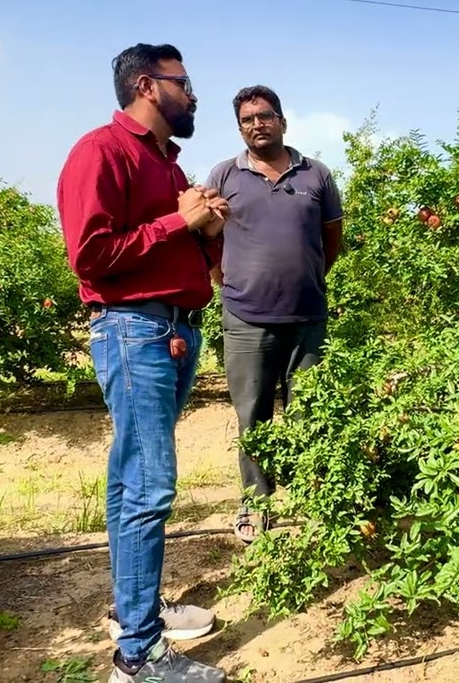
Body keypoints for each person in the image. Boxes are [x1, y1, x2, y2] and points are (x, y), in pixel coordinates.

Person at [56, 42, 228, 683]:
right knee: (149, 484)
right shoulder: (100, 151)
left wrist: (207, 232)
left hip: (176, 330)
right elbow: (90, 257)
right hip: (134, 331)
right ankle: (139, 653)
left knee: (134, 480)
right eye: (185, 83)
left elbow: (188, 252)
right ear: (148, 86)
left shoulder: (170, 166)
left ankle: (138, 610)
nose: (194, 95)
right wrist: (176, 223)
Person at [201, 85, 343, 544]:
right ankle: (256, 505)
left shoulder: (316, 174)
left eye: (264, 116)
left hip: (307, 317)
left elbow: (331, 240)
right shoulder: (224, 175)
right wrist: (227, 278)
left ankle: (313, 500)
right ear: (239, 128)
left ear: (282, 120)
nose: (256, 125)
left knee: (312, 413)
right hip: (246, 318)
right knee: (253, 415)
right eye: (246, 120)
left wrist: (309, 276)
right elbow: (206, 238)